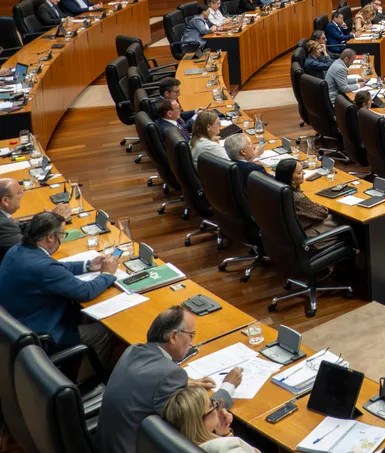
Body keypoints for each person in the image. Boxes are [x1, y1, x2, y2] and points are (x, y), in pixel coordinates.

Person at [98, 305, 242, 453]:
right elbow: (193, 421)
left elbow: (147, 385)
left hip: (106, 443)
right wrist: (227, 387)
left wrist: (188, 384)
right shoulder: (171, 374)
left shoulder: (133, 350)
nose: (192, 343)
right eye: (191, 335)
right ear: (173, 337)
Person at [0, 211, 118, 351]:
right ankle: (83, 364)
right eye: (62, 234)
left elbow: (56, 268)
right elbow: (85, 292)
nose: (62, 238)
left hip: (17, 326)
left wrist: (88, 266)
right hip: (44, 336)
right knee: (105, 332)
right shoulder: (44, 268)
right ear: (50, 237)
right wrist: (107, 274)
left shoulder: (17, 249)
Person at [162, 386, 260, 453]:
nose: (217, 408)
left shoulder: (173, 443)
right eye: (211, 405)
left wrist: (224, 434)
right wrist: (228, 437)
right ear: (199, 423)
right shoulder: (225, 447)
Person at [0, 178, 70, 262]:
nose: (22, 194)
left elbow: (19, 227)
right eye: (18, 193)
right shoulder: (3, 223)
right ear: (5, 200)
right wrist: (55, 222)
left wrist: (47, 219)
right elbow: (26, 252)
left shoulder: (4, 218)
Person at [274, 159, 338, 241]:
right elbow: (323, 213)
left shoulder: (276, 188)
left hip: (284, 236)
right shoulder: (298, 198)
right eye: (299, 172)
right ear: (291, 179)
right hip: (305, 235)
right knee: (343, 220)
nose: (304, 173)